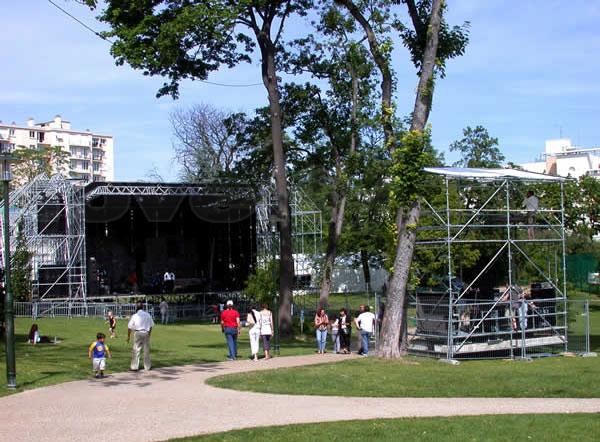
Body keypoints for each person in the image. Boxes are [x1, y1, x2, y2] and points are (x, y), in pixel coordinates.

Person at [127, 301, 155, 371]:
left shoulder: (135, 315)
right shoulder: (147, 315)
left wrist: (128, 336)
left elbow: (129, 327)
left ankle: (134, 367)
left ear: (137, 307)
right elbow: (151, 325)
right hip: (146, 332)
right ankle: (147, 366)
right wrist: (149, 334)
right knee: (146, 350)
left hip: (137, 332)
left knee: (136, 349)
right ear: (143, 307)